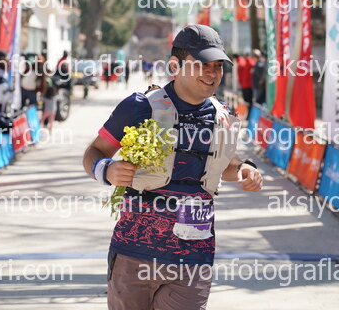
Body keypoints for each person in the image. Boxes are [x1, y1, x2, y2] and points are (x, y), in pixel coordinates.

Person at [83, 24, 263, 310]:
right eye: (202, 64)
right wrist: (106, 170)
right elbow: (94, 152)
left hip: (194, 256)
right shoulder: (140, 107)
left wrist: (244, 170)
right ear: (175, 66)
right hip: (134, 251)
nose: (212, 73)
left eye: (218, 66)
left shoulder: (223, 117)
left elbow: (226, 165)